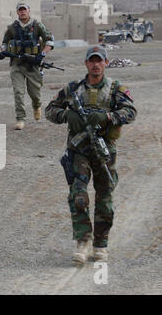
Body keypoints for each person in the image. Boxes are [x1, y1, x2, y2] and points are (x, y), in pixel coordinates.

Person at [45, 46, 137, 265]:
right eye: (91, 61)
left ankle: (100, 245)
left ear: (106, 63)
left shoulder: (115, 88)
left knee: (104, 198)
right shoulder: (73, 88)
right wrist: (67, 115)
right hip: (79, 151)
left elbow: (131, 112)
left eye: (99, 61)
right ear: (86, 63)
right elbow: (50, 110)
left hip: (105, 150)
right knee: (78, 195)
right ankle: (82, 242)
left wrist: (107, 117)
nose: (95, 65)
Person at [0, 3, 54, 130]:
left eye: (25, 10)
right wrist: (3, 51)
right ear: (17, 12)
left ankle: (36, 106)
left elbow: (49, 41)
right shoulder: (12, 27)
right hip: (16, 65)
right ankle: (20, 119)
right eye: (20, 10)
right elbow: (4, 42)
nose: (22, 12)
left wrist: (42, 54)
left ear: (29, 11)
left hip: (32, 65)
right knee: (18, 92)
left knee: (34, 93)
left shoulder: (37, 26)